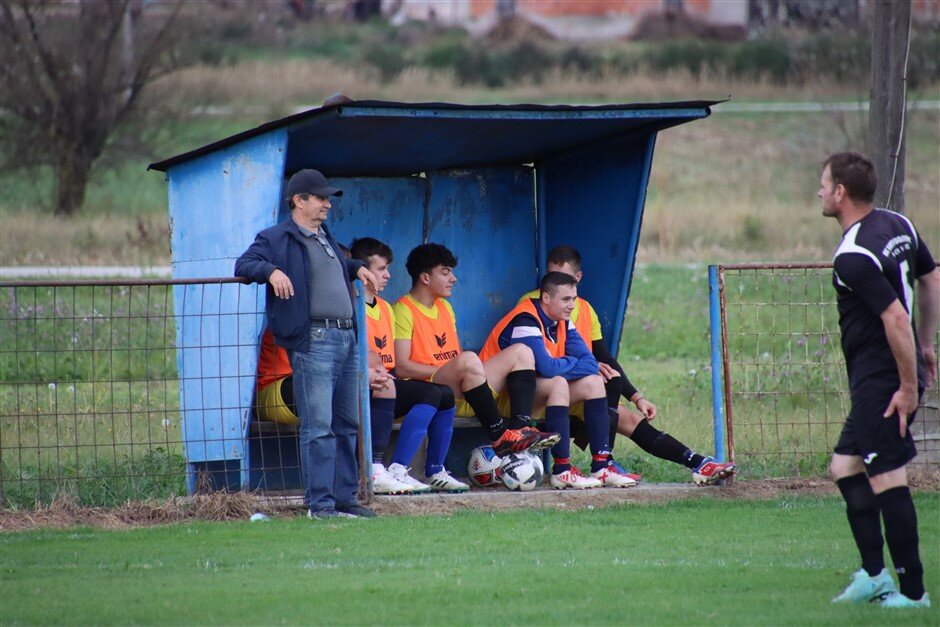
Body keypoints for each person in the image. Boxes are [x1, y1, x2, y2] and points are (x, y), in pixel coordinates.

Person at [819, 152, 938, 609]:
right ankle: (873, 576)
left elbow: (893, 317)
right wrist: (927, 343)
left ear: (841, 193)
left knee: (888, 476)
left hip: (884, 381)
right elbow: (931, 278)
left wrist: (908, 386)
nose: (820, 192)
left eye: (824, 184)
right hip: (888, 373)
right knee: (845, 467)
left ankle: (913, 594)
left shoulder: (853, 255)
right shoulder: (898, 224)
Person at [519, 245, 737, 485]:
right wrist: (585, 366)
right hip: (547, 388)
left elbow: (603, 358)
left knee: (626, 409)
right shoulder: (535, 303)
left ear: (578, 279)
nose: (558, 282)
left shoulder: (584, 310)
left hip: (575, 387)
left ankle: (698, 463)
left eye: (565, 279)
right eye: (552, 277)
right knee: (599, 383)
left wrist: (637, 397)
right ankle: (602, 463)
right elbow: (542, 364)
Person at [235, 168, 379, 520]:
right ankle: (321, 505)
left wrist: (356, 267)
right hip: (314, 340)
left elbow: (331, 270)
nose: (327, 205)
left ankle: (345, 500)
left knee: (347, 424)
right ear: (299, 201)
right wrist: (271, 272)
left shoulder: (324, 234)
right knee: (320, 426)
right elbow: (244, 264)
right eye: (320, 198)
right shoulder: (275, 237)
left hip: (346, 337)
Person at [393, 243, 560, 458]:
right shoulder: (402, 310)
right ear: (425, 278)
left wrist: (466, 370)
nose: (453, 278)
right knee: (468, 359)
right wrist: (456, 368)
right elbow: (402, 367)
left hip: (464, 386)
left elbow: (457, 355)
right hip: (432, 390)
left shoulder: (445, 307)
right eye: (445, 272)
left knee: (522, 351)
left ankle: (519, 430)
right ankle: (498, 435)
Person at [482, 271, 636, 489]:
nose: (572, 305)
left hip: (537, 392)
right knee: (558, 382)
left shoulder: (562, 321)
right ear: (546, 298)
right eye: (566, 299)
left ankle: (601, 467)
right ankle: (562, 470)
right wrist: (568, 362)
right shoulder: (526, 317)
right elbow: (545, 367)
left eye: (573, 299)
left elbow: (590, 363)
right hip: (501, 397)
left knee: (593, 382)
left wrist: (559, 365)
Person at [349, 237, 469, 493]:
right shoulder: (349, 305)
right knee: (416, 389)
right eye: (380, 269)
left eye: (387, 268)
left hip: (385, 380)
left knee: (443, 393)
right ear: (361, 270)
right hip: (359, 382)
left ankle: (434, 469)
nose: (388, 276)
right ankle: (383, 467)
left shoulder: (385, 308)